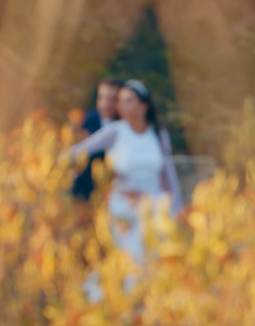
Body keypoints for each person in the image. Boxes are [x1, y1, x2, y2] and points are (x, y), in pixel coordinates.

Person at [67, 79, 182, 301]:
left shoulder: (158, 135)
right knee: (130, 258)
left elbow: (167, 176)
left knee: (159, 260)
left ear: (143, 106)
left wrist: (176, 208)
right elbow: (79, 151)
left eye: (128, 101)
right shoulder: (114, 132)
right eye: (120, 102)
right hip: (124, 206)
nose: (122, 106)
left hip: (155, 206)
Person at [71, 77, 124, 201]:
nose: (106, 104)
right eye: (102, 98)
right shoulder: (84, 124)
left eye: (112, 99)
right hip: (86, 195)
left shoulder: (128, 126)